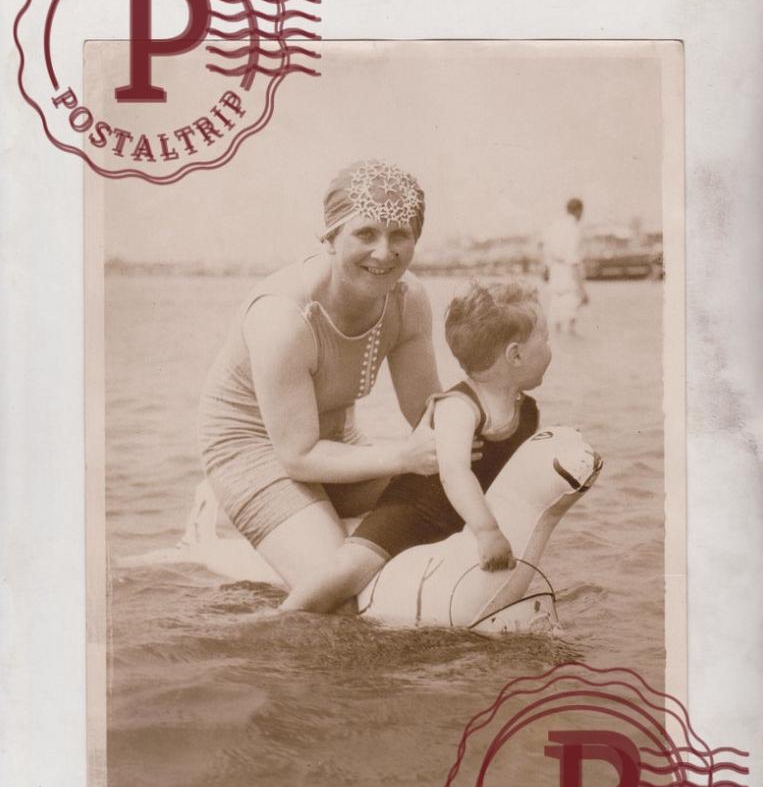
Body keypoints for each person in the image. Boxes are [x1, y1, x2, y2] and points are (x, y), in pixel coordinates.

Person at [198, 160, 444, 588]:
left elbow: (427, 415)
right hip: (256, 448)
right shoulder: (283, 317)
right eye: (365, 233)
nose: (384, 252)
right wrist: (404, 457)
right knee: (339, 590)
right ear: (329, 237)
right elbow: (297, 456)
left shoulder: (408, 299)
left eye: (399, 235)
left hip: (333, 442)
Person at [281, 280, 551, 614]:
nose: (550, 350)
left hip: (462, 516)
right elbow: (454, 473)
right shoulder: (459, 408)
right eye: (545, 340)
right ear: (515, 354)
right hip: (416, 511)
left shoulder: (527, 410)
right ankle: (285, 618)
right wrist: (487, 531)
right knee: (350, 567)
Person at [543, 197, 588, 333]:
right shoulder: (574, 228)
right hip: (568, 273)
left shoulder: (554, 226)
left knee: (556, 317)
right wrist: (582, 289)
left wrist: (547, 269)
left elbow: (546, 251)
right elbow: (573, 259)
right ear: (578, 211)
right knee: (570, 319)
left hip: (555, 272)